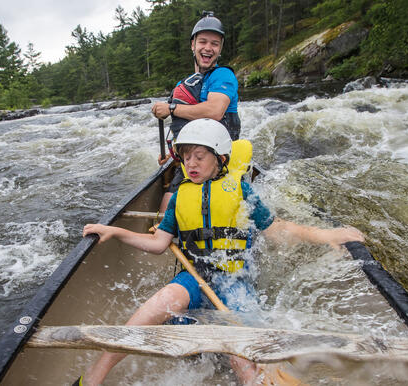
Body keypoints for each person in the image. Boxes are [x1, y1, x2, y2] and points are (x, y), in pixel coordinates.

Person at [77, 119, 365, 385]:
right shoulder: (180, 197)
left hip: (234, 280)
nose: (190, 164)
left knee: (240, 353)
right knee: (160, 301)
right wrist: (116, 232)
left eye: (199, 157)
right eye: (186, 157)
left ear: (220, 159)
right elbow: (158, 244)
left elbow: (277, 229)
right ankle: (95, 375)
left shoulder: (240, 191)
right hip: (195, 276)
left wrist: (325, 234)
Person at [151, 11, 241, 211]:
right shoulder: (184, 86)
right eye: (203, 42)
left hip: (219, 160)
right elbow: (186, 131)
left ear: (220, 49)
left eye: (215, 43)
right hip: (191, 160)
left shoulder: (223, 75)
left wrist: (171, 108)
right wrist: (175, 156)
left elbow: (215, 111)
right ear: (193, 45)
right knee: (165, 207)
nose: (208, 48)